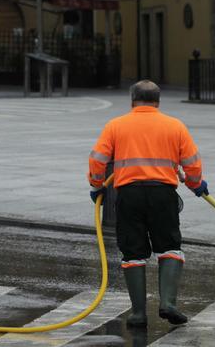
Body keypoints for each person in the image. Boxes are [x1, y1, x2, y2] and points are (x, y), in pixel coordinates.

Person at [87, 80, 208, 328]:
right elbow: (192, 163)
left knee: (133, 251)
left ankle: (138, 314)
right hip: (163, 194)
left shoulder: (116, 125)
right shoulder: (175, 126)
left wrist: (97, 184)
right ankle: (168, 303)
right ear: (158, 101)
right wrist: (196, 185)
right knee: (170, 247)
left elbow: (98, 160)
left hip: (129, 194)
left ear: (132, 100)